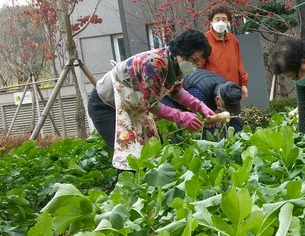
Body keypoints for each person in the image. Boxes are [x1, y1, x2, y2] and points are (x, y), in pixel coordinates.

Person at [87, 29, 216, 171]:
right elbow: (151, 104)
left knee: (149, 151)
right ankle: (128, 189)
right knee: (128, 154)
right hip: (105, 106)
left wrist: (201, 107)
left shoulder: (175, 65)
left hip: (133, 106)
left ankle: (147, 188)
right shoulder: (154, 64)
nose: (195, 65)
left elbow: (176, 91)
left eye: (198, 61)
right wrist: (182, 117)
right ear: (182, 52)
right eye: (193, 60)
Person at [161, 69, 244, 135]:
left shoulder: (229, 90)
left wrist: (240, 137)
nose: (228, 110)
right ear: (217, 99)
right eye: (226, 107)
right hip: (168, 96)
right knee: (180, 125)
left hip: (194, 90)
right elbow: (204, 127)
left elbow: (235, 118)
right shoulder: (198, 93)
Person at [198, 5, 249, 100]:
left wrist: (243, 84)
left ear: (228, 22)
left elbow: (239, 63)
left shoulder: (233, 39)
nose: (220, 22)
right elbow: (199, 66)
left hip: (233, 89)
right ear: (211, 21)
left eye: (224, 19)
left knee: (234, 114)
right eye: (217, 19)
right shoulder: (204, 40)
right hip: (213, 91)